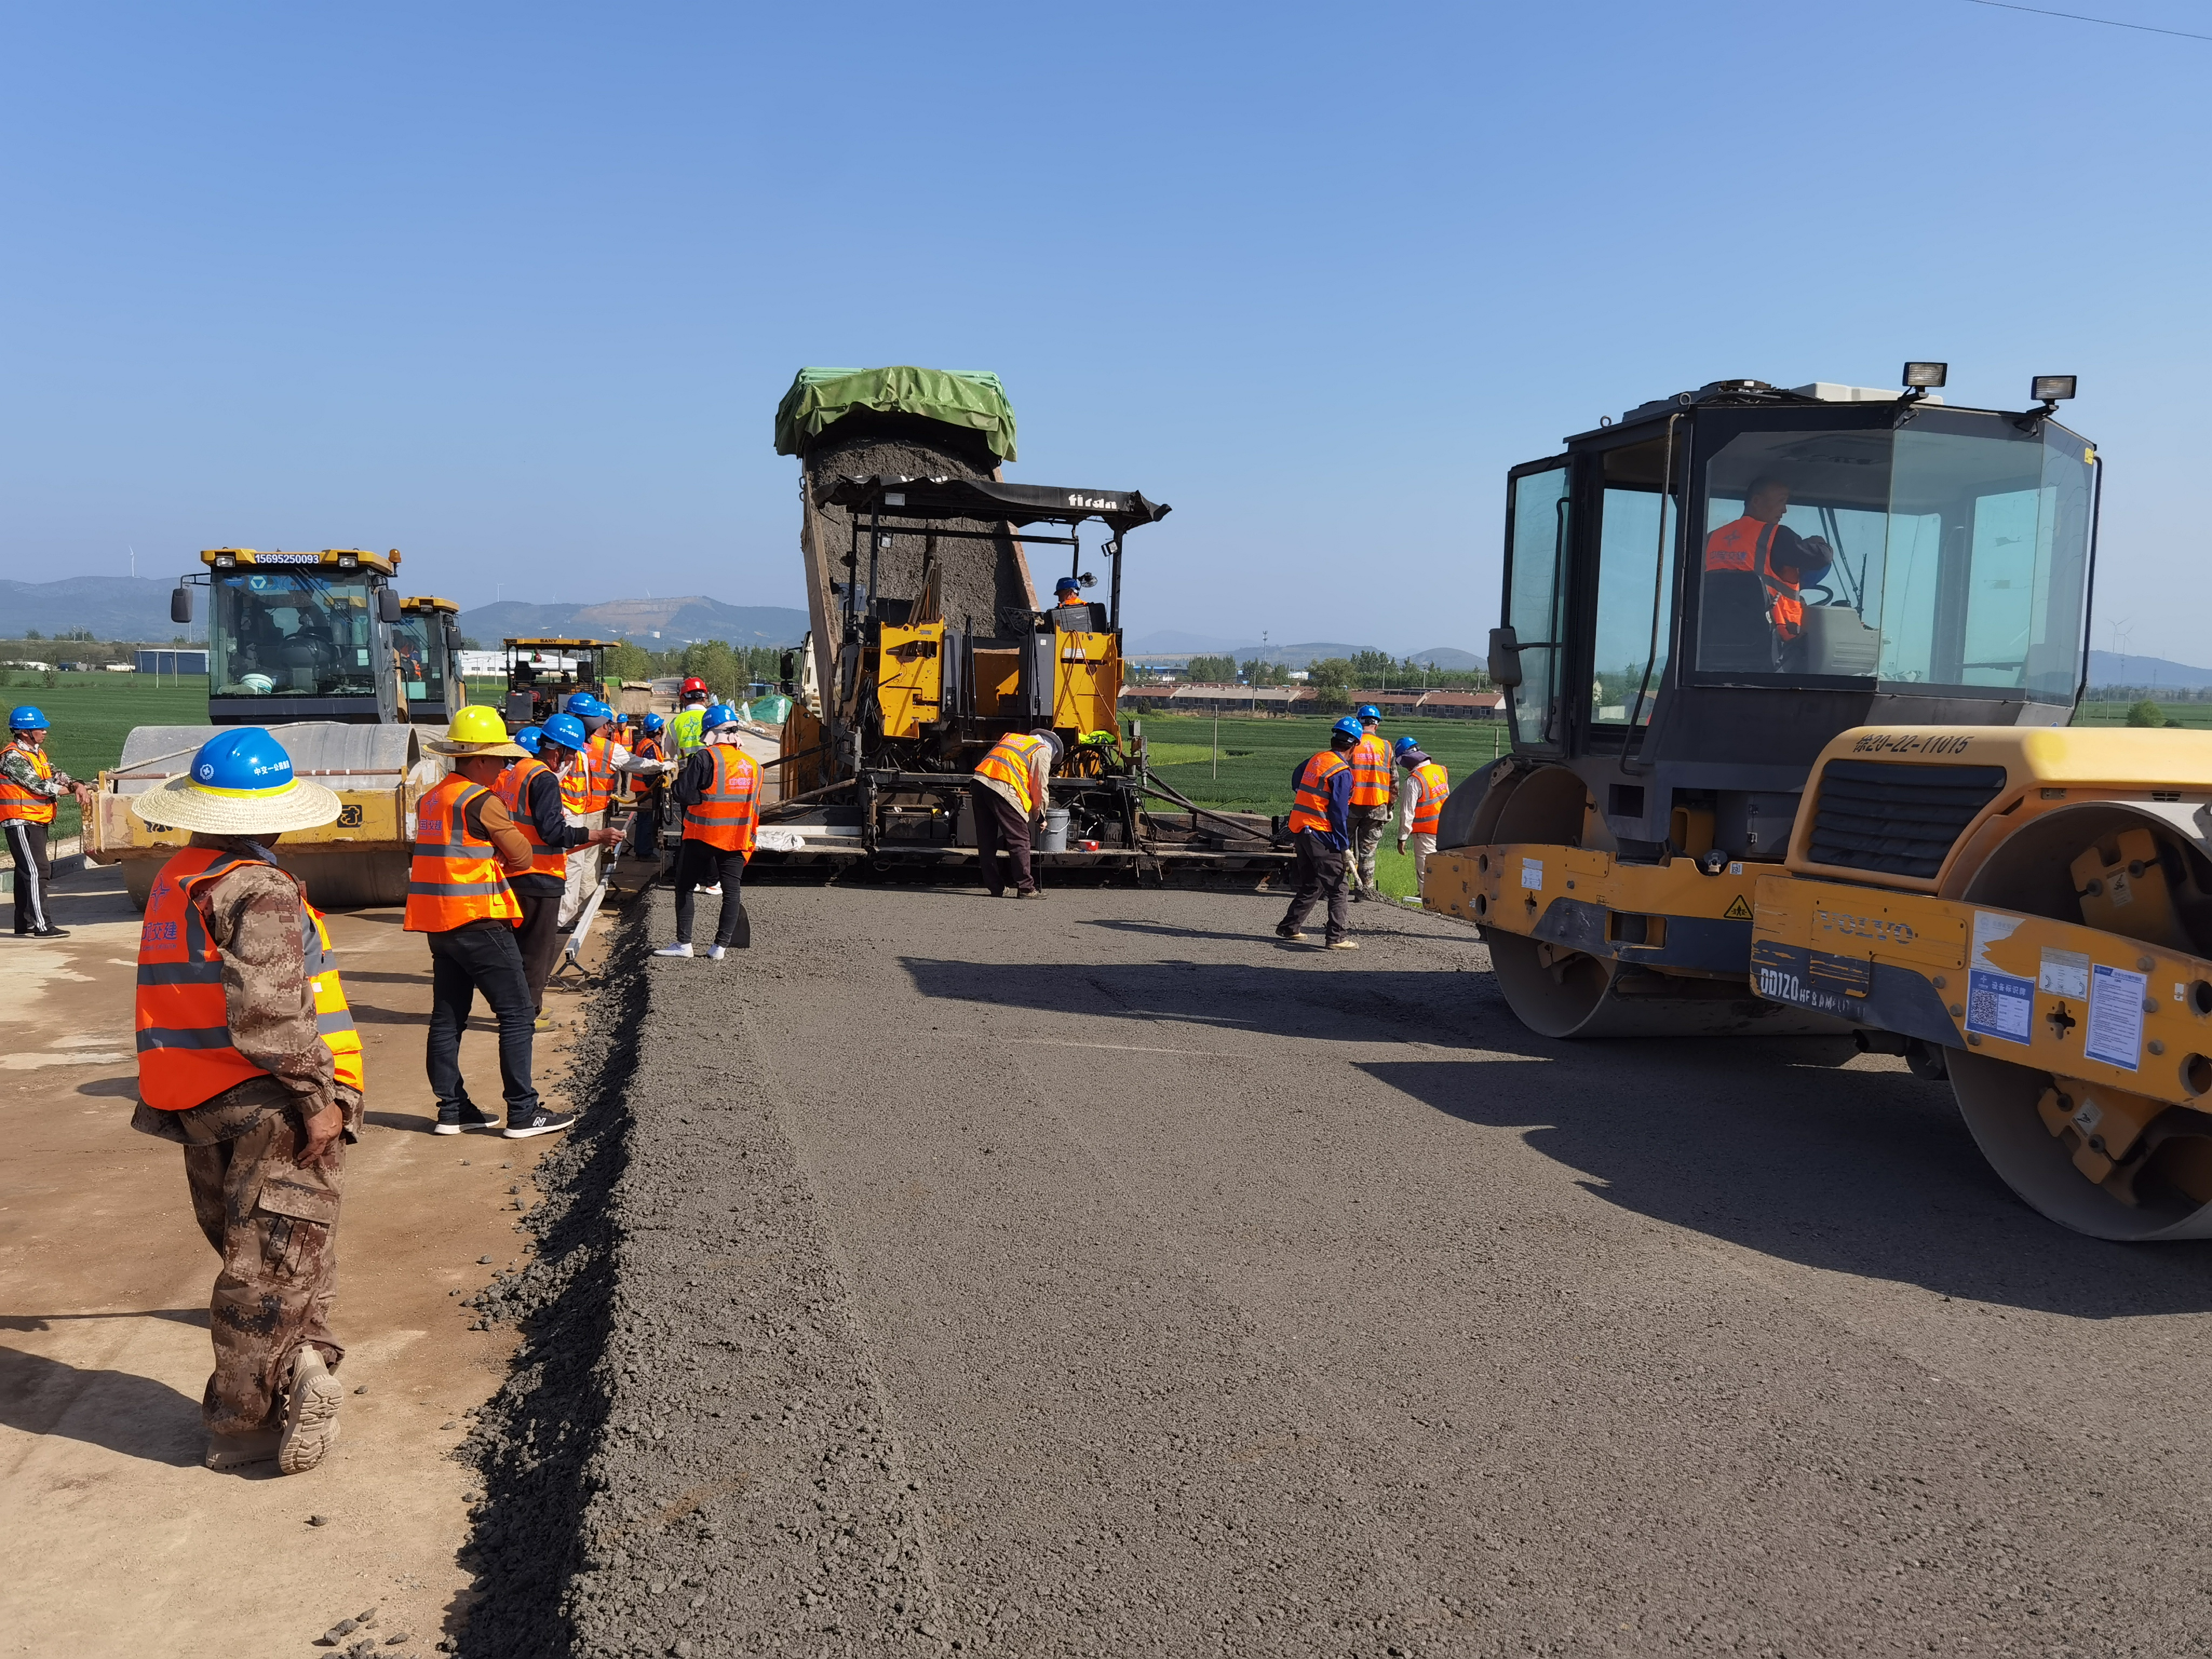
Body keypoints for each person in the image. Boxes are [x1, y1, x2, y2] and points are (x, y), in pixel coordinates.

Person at [126, 727, 361, 1474]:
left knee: (276, 1257)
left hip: (197, 1096)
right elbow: (272, 1016)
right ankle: (244, 1424)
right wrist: (318, 1098)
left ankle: (304, 1369)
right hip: (268, 1101)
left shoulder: (181, 875)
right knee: (267, 1270)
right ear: (276, 812)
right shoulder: (258, 888)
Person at [406, 713, 574, 1140]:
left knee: (448, 1018)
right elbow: (521, 856)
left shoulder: (432, 799)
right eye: (499, 760)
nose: (503, 769)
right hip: (479, 920)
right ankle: (523, 1112)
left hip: (439, 925)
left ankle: (453, 1109)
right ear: (478, 760)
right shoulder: (480, 801)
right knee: (518, 1014)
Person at [490, 710, 621, 1017]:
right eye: (571, 754)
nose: (571, 761)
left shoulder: (515, 772)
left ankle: (513, 1010)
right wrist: (596, 834)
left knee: (517, 948)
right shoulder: (544, 778)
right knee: (537, 951)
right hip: (540, 875)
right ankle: (527, 1015)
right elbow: (552, 832)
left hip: (511, 871)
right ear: (558, 751)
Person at [656, 704, 758, 959]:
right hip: (736, 839)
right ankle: (719, 948)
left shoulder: (705, 757)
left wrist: (690, 788)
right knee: (731, 894)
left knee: (686, 887)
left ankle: (684, 945)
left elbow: (682, 793)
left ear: (710, 732)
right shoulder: (754, 766)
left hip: (702, 837)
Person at [1703, 476, 1834, 670]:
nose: (1785, 510)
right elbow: (1821, 558)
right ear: (1757, 501)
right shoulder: (1775, 536)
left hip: (1711, 648)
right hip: (1770, 649)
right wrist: (1819, 542)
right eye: (1781, 501)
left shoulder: (1711, 539)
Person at [2, 704, 92, 938]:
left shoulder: (37, 754)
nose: (45, 731)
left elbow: (55, 774)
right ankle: (43, 926)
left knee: (27, 871)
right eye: (39, 728)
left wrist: (76, 783)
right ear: (25, 732)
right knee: (37, 871)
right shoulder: (12, 757)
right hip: (20, 821)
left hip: (37, 821)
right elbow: (39, 786)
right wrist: (70, 791)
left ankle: (24, 923)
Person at [1276, 717, 1359, 950]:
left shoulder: (1317, 759)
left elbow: (1297, 779)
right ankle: (1336, 938)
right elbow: (1338, 813)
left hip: (1300, 830)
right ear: (1354, 746)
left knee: (1313, 882)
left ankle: (1289, 927)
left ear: (1334, 740)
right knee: (1339, 886)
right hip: (1322, 833)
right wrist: (1344, 847)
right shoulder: (1342, 772)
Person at [970, 727, 1062, 899]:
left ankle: (996, 888)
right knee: (1020, 839)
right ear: (1051, 750)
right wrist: (1040, 816)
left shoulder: (1010, 738)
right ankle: (1026, 888)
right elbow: (1039, 786)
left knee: (986, 841)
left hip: (979, 782)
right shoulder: (1041, 750)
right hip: (1004, 789)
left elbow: (989, 761)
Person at [1393, 736, 1451, 898]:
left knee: (1426, 871)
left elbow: (1407, 813)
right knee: (1443, 868)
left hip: (1425, 834)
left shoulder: (1414, 781)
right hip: (1444, 829)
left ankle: (1430, 905)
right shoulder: (1440, 770)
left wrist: (1402, 838)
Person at [1344, 704, 1392, 900]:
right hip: (1376, 807)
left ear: (1359, 721)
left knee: (1343, 847)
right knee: (1368, 853)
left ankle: (1338, 889)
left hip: (1349, 806)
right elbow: (1394, 782)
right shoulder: (1387, 747)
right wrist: (1389, 807)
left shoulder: (1351, 744)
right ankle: (1365, 893)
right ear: (1377, 725)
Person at [627, 712, 669, 857]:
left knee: (645, 820)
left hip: (644, 789)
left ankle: (644, 849)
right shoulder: (650, 747)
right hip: (646, 789)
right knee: (646, 821)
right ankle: (644, 852)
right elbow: (649, 771)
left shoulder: (650, 744)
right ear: (658, 730)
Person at [666, 677, 714, 755]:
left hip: (686, 766)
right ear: (705, 698)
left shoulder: (675, 723)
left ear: (683, 699)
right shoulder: (715, 718)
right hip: (711, 766)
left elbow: (670, 750)